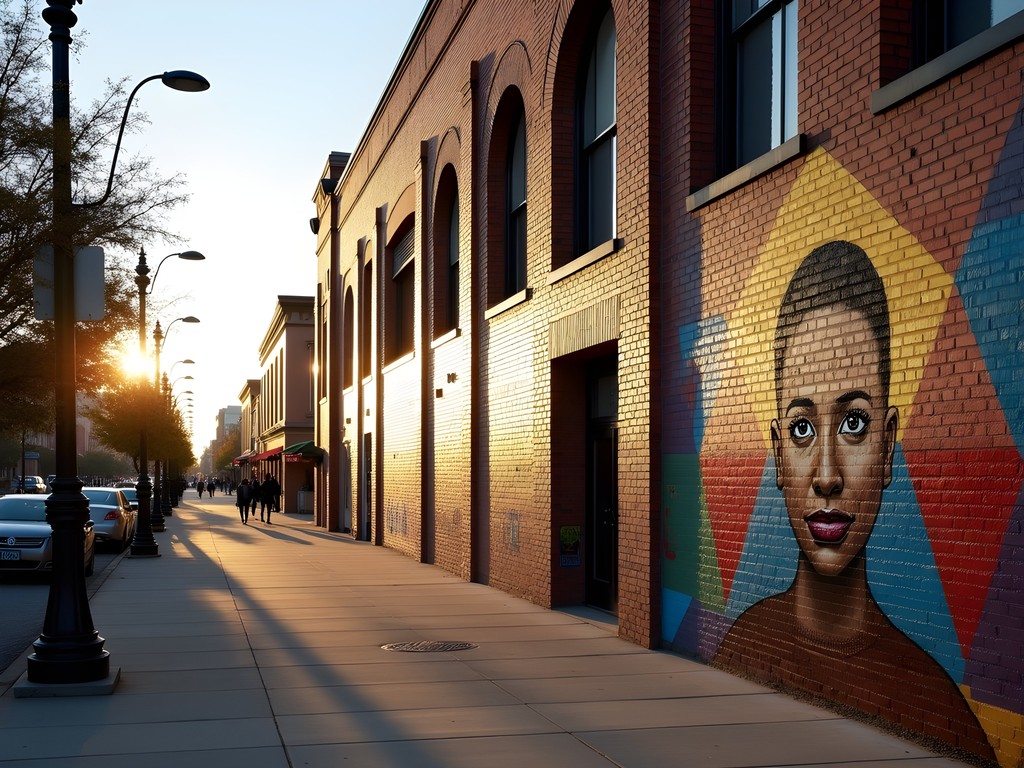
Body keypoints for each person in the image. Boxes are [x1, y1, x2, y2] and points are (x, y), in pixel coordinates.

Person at [714, 241, 994, 759]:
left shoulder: (941, 714)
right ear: (778, 455)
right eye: (801, 428)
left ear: (887, 447)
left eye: (854, 423)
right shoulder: (740, 648)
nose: (826, 476)